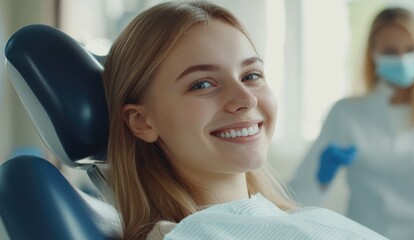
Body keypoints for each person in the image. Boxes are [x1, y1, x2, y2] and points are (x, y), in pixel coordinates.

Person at [101, 1, 387, 240]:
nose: (246, 99)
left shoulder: (282, 219)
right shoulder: (195, 234)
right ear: (141, 121)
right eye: (202, 84)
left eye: (251, 76)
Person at [289, 7, 414, 240]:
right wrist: (320, 178)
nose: (401, 59)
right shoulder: (347, 112)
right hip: (370, 233)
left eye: (410, 50)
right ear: (373, 54)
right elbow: (296, 203)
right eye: (390, 51)